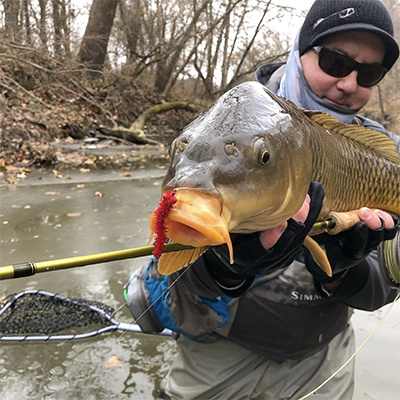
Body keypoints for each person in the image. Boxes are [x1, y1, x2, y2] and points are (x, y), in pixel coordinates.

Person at [126, 0, 400, 398]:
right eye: (336, 63)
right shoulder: (219, 133)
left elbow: (382, 290)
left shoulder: (387, 160)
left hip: (321, 353)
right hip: (220, 349)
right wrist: (226, 267)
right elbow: (175, 279)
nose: (348, 84)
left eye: (369, 73)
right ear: (299, 52)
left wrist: (344, 268)